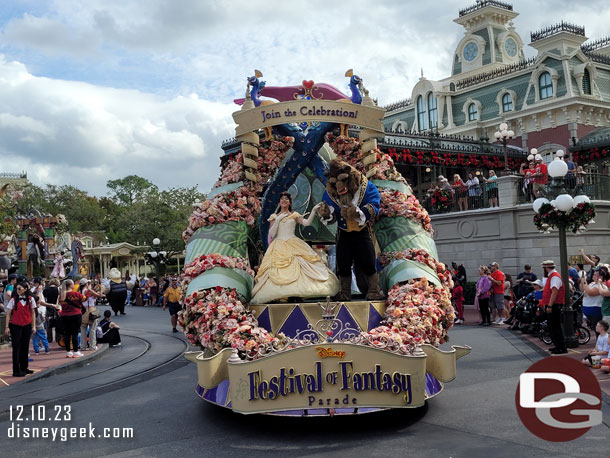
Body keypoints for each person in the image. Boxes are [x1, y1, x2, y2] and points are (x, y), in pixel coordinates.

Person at [253, 192, 339, 304]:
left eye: (286, 199)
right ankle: (282, 295)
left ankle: (296, 295)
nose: (284, 201)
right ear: (279, 202)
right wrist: (278, 220)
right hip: (279, 244)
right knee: (280, 269)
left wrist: (313, 211)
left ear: (289, 202)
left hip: (293, 243)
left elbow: (307, 223)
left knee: (299, 267)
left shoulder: (294, 215)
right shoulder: (274, 217)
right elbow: (272, 234)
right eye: (282, 199)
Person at [4, 281, 36, 376]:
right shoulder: (13, 300)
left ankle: (24, 367)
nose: (17, 290)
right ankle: (16, 370)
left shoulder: (30, 299)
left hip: (27, 325)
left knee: (25, 347)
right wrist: (6, 327)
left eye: (19, 288)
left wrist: (33, 326)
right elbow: (8, 314)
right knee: (16, 348)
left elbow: (33, 313)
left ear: (25, 289)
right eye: (16, 289)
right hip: (16, 325)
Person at [540, 260, 567, 354]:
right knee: (553, 326)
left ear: (546, 268)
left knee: (555, 326)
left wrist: (550, 305)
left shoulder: (554, 277)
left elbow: (554, 292)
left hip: (554, 305)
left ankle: (561, 347)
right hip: (552, 304)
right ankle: (557, 345)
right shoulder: (552, 276)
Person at [59, 279, 85, 358]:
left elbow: (60, 304)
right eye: (73, 284)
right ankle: (76, 351)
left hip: (65, 316)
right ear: (70, 285)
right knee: (75, 334)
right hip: (76, 315)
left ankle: (68, 351)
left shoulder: (61, 296)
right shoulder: (76, 294)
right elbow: (84, 298)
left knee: (67, 334)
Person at [80, 278, 103, 351]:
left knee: (83, 329)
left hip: (83, 311)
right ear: (86, 284)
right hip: (91, 311)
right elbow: (100, 295)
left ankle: (83, 346)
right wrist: (101, 288)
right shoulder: (88, 291)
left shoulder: (80, 291)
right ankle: (92, 346)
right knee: (92, 329)